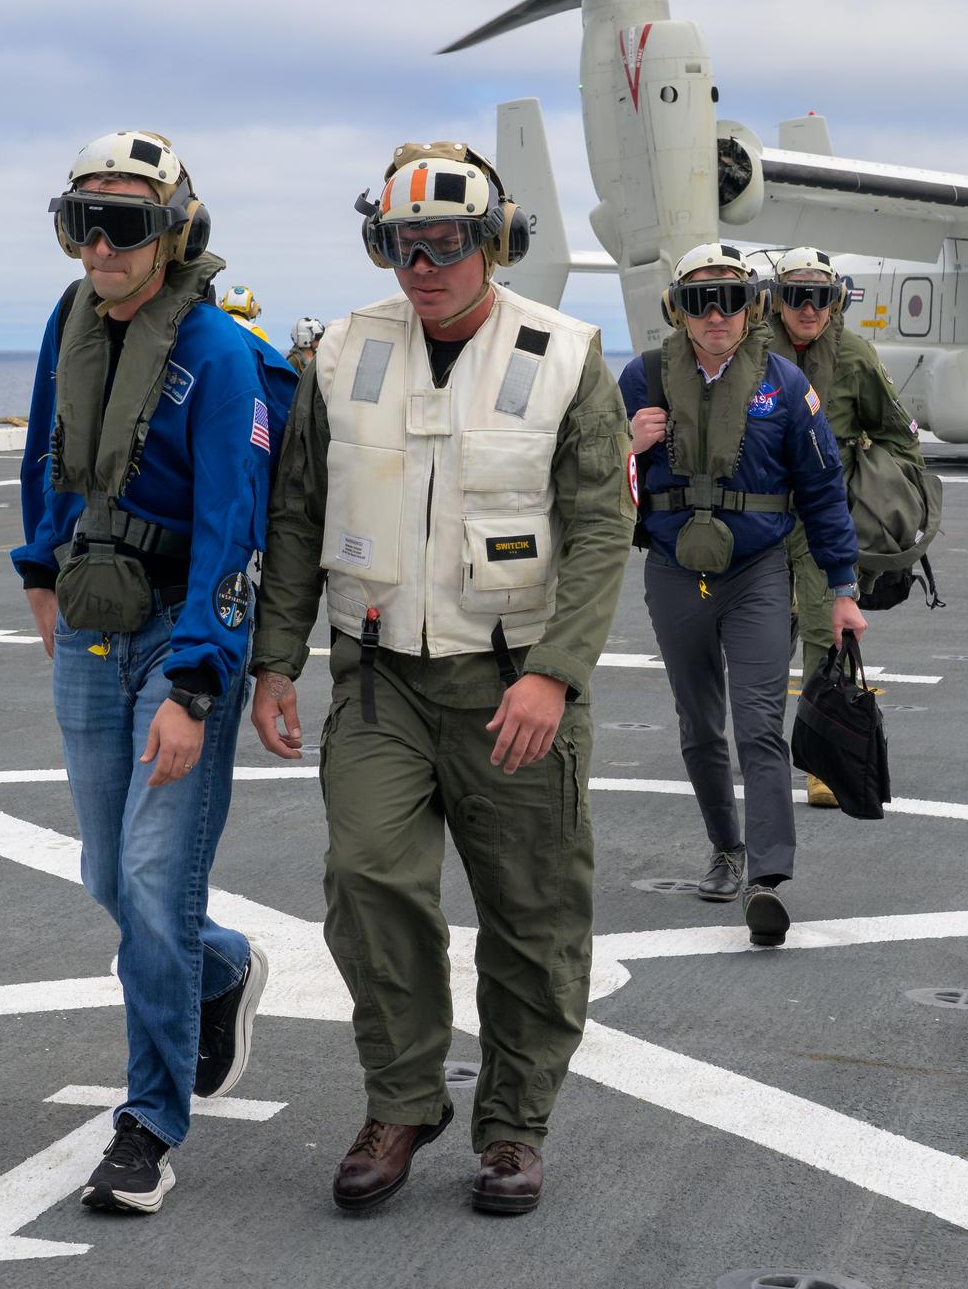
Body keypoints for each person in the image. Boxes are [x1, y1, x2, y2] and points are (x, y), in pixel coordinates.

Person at [249, 140, 633, 1217]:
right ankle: (403, 1098)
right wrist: (275, 659)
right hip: (380, 680)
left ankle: (513, 1126)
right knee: (367, 876)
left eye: (448, 241)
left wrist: (554, 675)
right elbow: (296, 519)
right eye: (402, 242)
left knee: (532, 911)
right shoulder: (339, 356)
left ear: (494, 242)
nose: (424, 264)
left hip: (514, 681)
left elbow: (603, 532)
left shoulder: (566, 355)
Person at [12, 130, 299, 1215]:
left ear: (172, 231)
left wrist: (195, 686)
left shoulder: (221, 358)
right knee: (108, 876)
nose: (100, 243)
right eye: (81, 220)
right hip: (89, 625)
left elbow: (235, 528)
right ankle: (219, 967)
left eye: (124, 223)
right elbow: (46, 445)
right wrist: (38, 569)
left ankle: (149, 1125)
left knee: (149, 880)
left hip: (178, 636)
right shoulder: (70, 320)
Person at [619, 243, 866, 947]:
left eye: (730, 299)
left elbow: (822, 492)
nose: (717, 314)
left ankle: (768, 879)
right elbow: (585, 480)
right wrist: (622, 445)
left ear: (750, 305)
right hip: (673, 571)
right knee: (699, 726)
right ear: (679, 309)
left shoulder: (784, 386)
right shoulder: (641, 380)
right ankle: (725, 851)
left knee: (759, 725)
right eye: (700, 301)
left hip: (757, 573)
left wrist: (842, 589)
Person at [765, 246, 925, 808]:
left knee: (822, 628)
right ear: (776, 299)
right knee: (752, 636)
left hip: (820, 519)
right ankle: (761, 747)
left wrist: (881, 486)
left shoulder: (855, 356)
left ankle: (823, 757)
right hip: (757, 516)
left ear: (836, 301)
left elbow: (900, 435)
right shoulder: (750, 350)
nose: (809, 309)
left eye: (821, 297)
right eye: (796, 296)